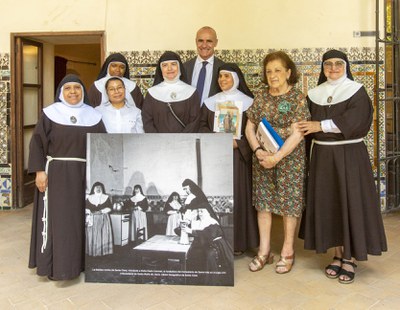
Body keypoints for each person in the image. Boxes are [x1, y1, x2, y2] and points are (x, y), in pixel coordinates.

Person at [298, 49, 387, 284]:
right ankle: (337, 255)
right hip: (322, 158)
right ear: (323, 67)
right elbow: (306, 125)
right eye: (328, 64)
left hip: (349, 156)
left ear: (346, 66)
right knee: (331, 205)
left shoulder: (356, 91)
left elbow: (356, 121)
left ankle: (350, 258)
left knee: (349, 204)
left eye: (338, 64)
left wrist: (321, 125)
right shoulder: (314, 93)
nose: (333, 68)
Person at [28, 74, 106, 280]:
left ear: (83, 92)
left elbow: (102, 146)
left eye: (77, 88)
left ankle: (79, 265)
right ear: (61, 92)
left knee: (81, 220)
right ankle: (58, 267)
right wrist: (39, 172)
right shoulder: (50, 114)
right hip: (57, 174)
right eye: (68, 88)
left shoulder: (94, 116)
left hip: (84, 175)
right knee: (60, 221)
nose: (73, 92)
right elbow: (37, 143)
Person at [245, 51, 310, 274]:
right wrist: (258, 150)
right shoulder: (261, 97)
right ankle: (264, 251)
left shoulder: (297, 98)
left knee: (288, 206)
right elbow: (249, 127)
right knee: (263, 204)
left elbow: (298, 133)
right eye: (269, 71)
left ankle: (287, 250)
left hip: (289, 160)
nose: (273, 75)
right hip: (263, 160)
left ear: (288, 72)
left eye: (278, 70)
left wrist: (277, 157)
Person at [199, 63, 259, 255]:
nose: (223, 80)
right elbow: (201, 127)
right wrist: (214, 139)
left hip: (239, 158)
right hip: (216, 157)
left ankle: (240, 243)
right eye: (220, 77)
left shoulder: (249, 102)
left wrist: (238, 144)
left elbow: (256, 132)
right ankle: (219, 242)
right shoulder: (210, 102)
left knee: (240, 198)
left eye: (227, 76)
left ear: (236, 79)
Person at [142, 51, 200, 133]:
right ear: (161, 69)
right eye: (165, 65)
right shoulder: (152, 93)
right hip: (158, 143)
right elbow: (147, 121)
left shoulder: (191, 92)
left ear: (179, 67)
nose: (169, 68)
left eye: (173, 64)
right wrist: (158, 140)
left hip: (185, 143)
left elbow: (194, 122)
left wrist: (182, 140)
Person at [182, 202, 233, 285]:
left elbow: (209, 234)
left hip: (217, 245)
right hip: (206, 244)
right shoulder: (198, 222)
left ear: (208, 212)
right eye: (198, 211)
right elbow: (178, 230)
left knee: (208, 255)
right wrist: (185, 223)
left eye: (202, 211)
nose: (200, 213)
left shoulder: (212, 222)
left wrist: (191, 231)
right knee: (193, 253)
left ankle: (211, 281)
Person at [184, 26, 225, 105]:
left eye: (209, 41)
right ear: (196, 41)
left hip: (212, 115)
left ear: (216, 42)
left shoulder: (223, 69)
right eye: (200, 41)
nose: (204, 45)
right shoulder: (185, 67)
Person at [85, 182, 113, 256]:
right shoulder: (89, 198)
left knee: (103, 234)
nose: (98, 189)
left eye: (100, 187)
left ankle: (103, 251)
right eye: (96, 187)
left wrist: (101, 211)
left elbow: (110, 208)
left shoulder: (106, 197)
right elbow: (86, 208)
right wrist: (90, 211)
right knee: (92, 235)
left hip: (103, 218)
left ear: (102, 189)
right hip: (92, 218)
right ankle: (93, 251)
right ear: (93, 189)